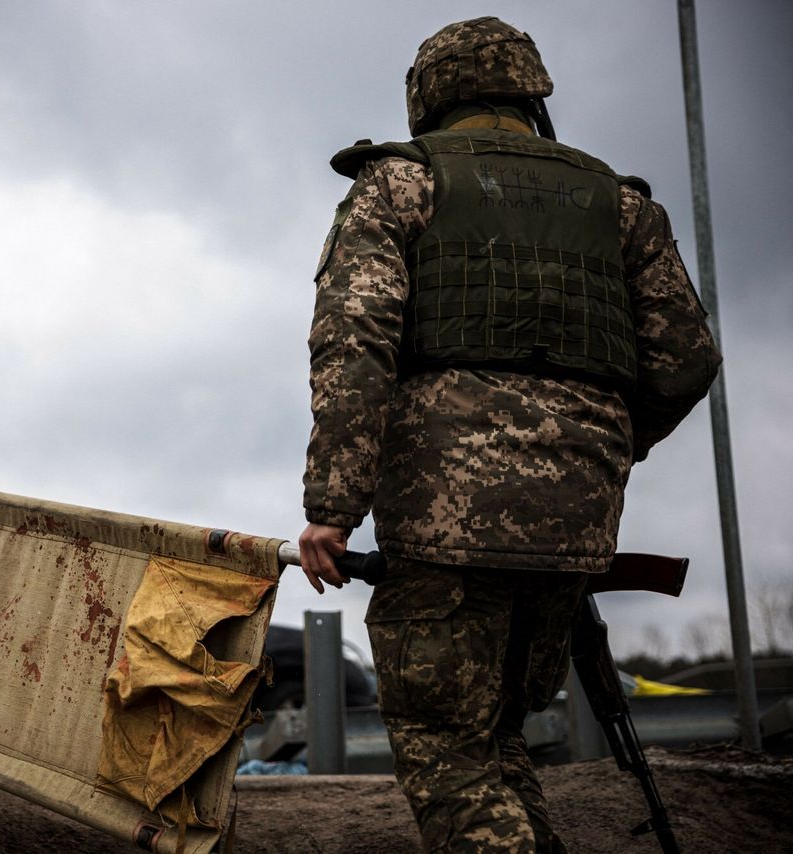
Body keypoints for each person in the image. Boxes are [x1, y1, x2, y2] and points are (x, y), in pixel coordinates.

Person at [297, 17, 721, 852]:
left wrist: (331, 508)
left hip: (441, 523)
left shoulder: (399, 184)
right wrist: (600, 446)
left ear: (427, 98)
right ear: (533, 94)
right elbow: (687, 361)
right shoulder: (623, 203)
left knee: (447, 747)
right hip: (574, 523)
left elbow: (355, 344)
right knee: (495, 737)